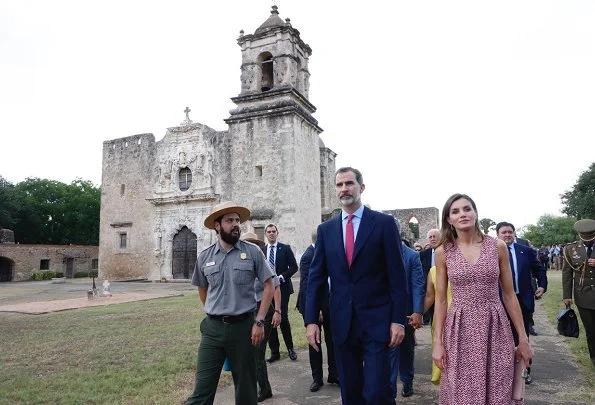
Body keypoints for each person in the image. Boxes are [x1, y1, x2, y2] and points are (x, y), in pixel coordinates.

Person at [305, 166, 407, 405]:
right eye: (339, 185)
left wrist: (398, 319)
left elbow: (397, 276)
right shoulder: (326, 230)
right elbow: (316, 278)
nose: (344, 189)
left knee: (377, 392)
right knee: (350, 392)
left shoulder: (383, 224)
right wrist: (311, 321)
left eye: (349, 183)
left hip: (377, 321)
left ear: (361, 187)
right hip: (341, 323)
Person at [432, 193, 533, 405]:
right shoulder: (443, 252)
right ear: (449, 219)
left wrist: (523, 339)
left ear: (476, 213)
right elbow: (440, 301)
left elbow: (508, 294)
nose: (462, 214)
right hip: (459, 329)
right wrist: (437, 343)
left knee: (498, 388)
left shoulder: (497, 246)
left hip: (495, 327)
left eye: (467, 209)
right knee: (460, 392)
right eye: (455, 211)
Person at [185, 201, 275, 405]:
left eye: (237, 220)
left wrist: (259, 321)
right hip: (212, 330)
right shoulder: (205, 256)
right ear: (217, 225)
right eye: (229, 220)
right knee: (201, 391)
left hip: (244, 329)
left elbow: (269, 286)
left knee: (246, 391)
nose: (236, 224)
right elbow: (202, 288)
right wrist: (213, 309)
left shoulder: (252, 252)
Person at [496, 221, 547, 384]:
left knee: (522, 336)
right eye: (503, 232)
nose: (507, 235)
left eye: (510, 232)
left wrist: (542, 286)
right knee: (503, 338)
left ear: (514, 233)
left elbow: (539, 270)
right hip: (500, 301)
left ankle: (526, 371)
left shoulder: (526, 251)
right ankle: (505, 372)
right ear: (497, 234)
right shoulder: (491, 252)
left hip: (523, 300)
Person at [241, 232, 282, 402]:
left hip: (264, 312)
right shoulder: (242, 263)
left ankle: (264, 390)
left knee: (257, 354)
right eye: (246, 243)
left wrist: (278, 311)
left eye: (252, 243)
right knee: (251, 353)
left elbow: (276, 288)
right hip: (248, 311)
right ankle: (260, 386)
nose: (249, 246)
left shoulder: (264, 262)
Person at [296, 229, 338, 392]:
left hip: (330, 305)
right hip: (314, 307)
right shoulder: (308, 256)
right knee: (315, 342)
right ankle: (317, 378)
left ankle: (334, 374)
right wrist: (316, 310)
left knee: (332, 340)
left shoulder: (326, 252)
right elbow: (307, 286)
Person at [389, 238, 424, 398]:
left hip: (405, 311)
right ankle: (389, 390)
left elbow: (417, 284)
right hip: (381, 311)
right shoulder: (377, 251)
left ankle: (407, 380)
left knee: (406, 347)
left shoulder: (411, 256)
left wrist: (418, 311)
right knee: (386, 350)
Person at [262, 224, 299, 362]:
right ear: (265, 234)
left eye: (273, 231)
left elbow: (294, 267)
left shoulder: (285, 248)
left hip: (283, 288)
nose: (271, 233)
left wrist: (282, 277)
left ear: (277, 233)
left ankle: (290, 348)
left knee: (282, 317)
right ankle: (275, 351)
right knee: (269, 319)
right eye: (269, 231)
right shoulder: (261, 250)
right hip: (267, 289)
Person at [563, 218, 595, 366]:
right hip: (583, 295)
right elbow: (567, 273)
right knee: (591, 330)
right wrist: (567, 296)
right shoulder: (571, 249)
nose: (588, 238)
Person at [423, 265, 452, 385]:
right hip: (442, 321)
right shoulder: (434, 271)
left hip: (463, 320)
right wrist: (418, 314)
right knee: (445, 362)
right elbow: (430, 296)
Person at [420, 229, 440, 325]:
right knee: (433, 320)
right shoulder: (422, 255)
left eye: (434, 236)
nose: (432, 239)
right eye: (430, 237)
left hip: (444, 291)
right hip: (428, 290)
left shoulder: (448, 253)